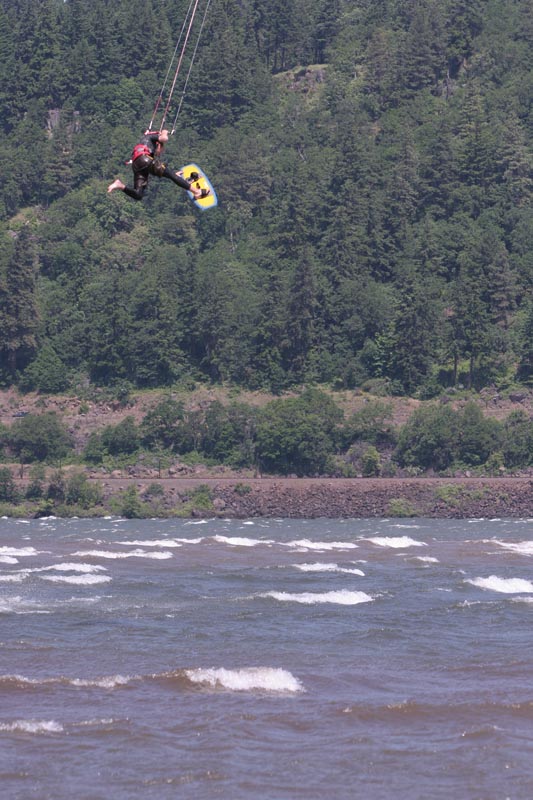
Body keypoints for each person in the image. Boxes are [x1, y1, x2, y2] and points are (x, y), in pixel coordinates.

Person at [107, 129, 209, 202]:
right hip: (144, 160)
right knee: (171, 175)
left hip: (137, 165)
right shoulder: (152, 137)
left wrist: (171, 174)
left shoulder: (145, 143)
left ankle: (120, 185)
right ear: (158, 144)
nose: (160, 153)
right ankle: (197, 192)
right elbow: (164, 138)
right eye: (161, 149)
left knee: (138, 195)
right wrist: (165, 131)